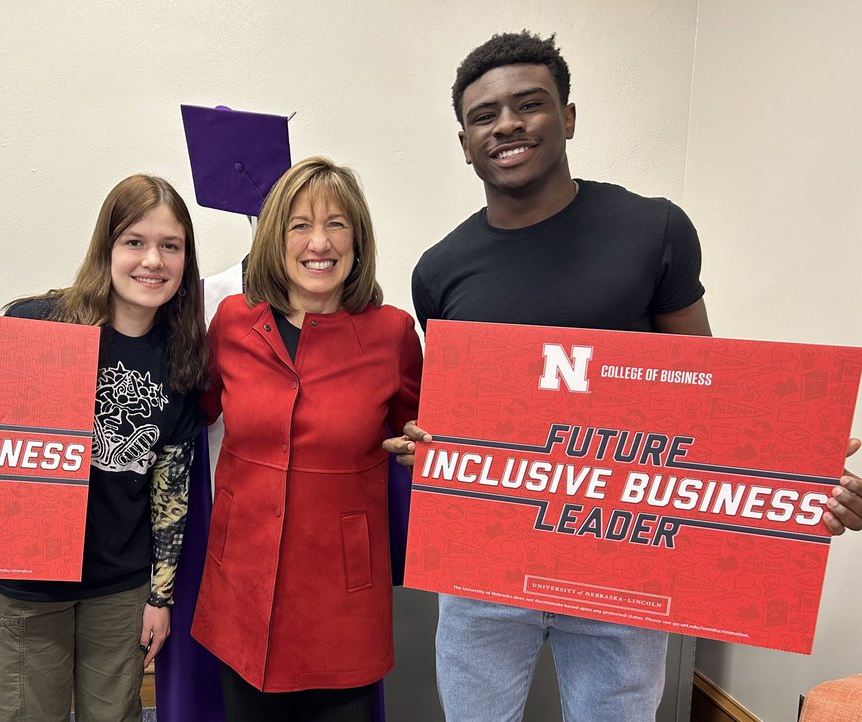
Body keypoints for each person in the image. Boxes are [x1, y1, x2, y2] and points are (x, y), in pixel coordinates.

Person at [383, 31, 862, 722]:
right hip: (485, 569)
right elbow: (460, 415)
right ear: (464, 142)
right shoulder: (438, 269)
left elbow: (708, 391)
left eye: (530, 104)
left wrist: (800, 473)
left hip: (624, 561)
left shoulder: (653, 230)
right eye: (485, 116)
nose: (508, 124)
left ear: (568, 118)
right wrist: (427, 443)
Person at [0, 173, 208, 722]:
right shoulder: (37, 325)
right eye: (135, 242)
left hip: (119, 590)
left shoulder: (183, 356)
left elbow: (171, 493)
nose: (153, 261)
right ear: (107, 248)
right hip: (26, 586)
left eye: (170, 246)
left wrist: (159, 598)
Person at [190, 156, 423, 722]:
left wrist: (424, 451)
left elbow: (425, 432)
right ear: (276, 238)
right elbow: (190, 409)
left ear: (357, 238)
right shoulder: (231, 322)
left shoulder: (392, 334)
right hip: (241, 585)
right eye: (300, 225)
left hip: (341, 601)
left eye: (336, 224)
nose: (319, 242)